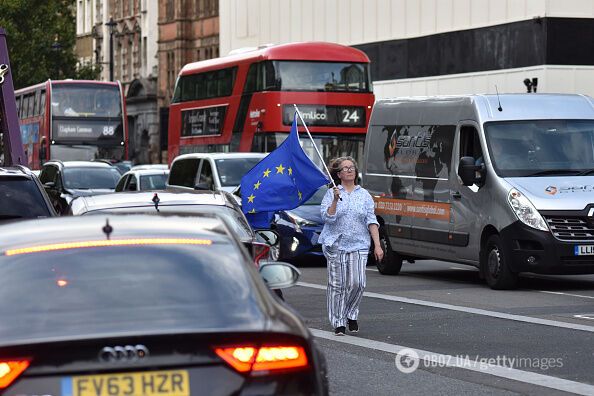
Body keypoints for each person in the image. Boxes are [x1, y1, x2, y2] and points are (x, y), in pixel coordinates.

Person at [319, 156, 384, 336]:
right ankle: (338, 322)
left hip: (359, 244)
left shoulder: (364, 195)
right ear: (338, 174)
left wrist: (377, 245)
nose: (349, 170)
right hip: (335, 244)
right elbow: (327, 218)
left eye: (351, 167)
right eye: (345, 168)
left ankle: (351, 313)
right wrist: (334, 200)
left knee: (358, 283)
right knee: (337, 285)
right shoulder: (331, 193)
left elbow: (372, 220)